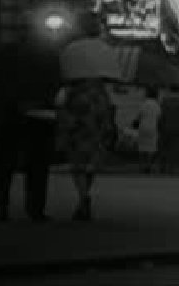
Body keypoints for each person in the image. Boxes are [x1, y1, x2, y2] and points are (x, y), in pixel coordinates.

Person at [0, 20, 62, 222]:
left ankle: (2, 206)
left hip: (11, 111)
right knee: (38, 164)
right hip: (40, 113)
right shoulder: (48, 53)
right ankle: (35, 208)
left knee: (5, 162)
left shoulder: (6, 52)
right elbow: (55, 81)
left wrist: (11, 101)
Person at [56, 12, 118, 221]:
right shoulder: (106, 50)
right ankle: (85, 194)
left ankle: (83, 196)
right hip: (99, 99)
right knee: (93, 152)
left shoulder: (70, 50)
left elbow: (64, 75)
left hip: (78, 98)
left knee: (77, 152)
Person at [158, 91, 179, 173]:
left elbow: (161, 116)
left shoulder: (164, 101)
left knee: (164, 148)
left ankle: (162, 167)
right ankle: (171, 168)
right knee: (174, 149)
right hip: (177, 128)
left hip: (165, 128)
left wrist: (160, 127)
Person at [136, 85, 162, 173]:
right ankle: (148, 165)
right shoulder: (157, 105)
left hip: (143, 127)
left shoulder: (144, 103)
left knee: (142, 147)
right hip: (153, 127)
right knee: (151, 148)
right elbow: (159, 117)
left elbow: (139, 116)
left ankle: (142, 166)